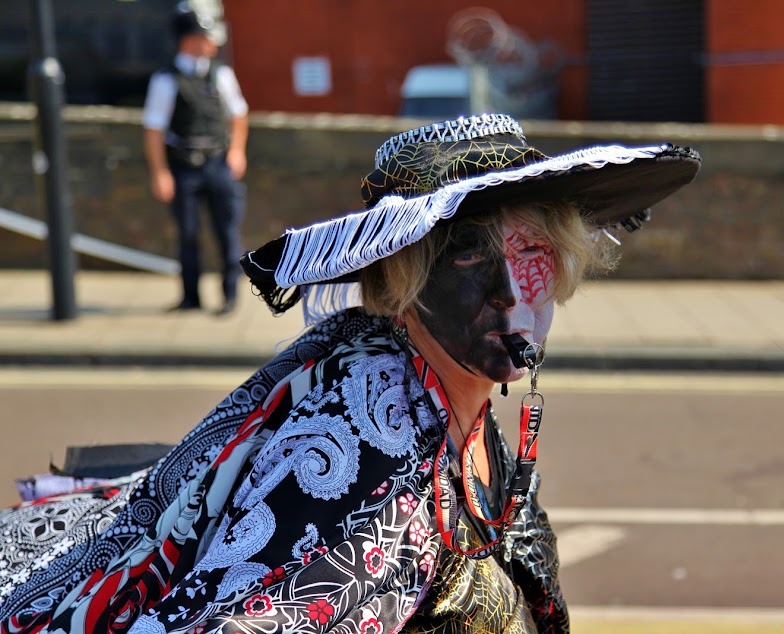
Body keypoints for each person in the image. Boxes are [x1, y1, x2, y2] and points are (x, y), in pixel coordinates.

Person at [0, 113, 699, 633]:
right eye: (468, 255)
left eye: (533, 252)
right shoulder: (369, 444)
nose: (511, 291)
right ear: (403, 278)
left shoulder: (455, 401)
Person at [143, 3, 249, 315]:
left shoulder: (220, 74)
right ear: (188, 40)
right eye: (205, 37)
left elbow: (238, 115)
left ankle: (230, 295)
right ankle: (191, 297)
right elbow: (154, 130)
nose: (212, 43)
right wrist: (160, 172)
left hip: (217, 161)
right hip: (183, 164)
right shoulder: (166, 80)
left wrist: (237, 151)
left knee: (227, 230)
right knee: (187, 233)